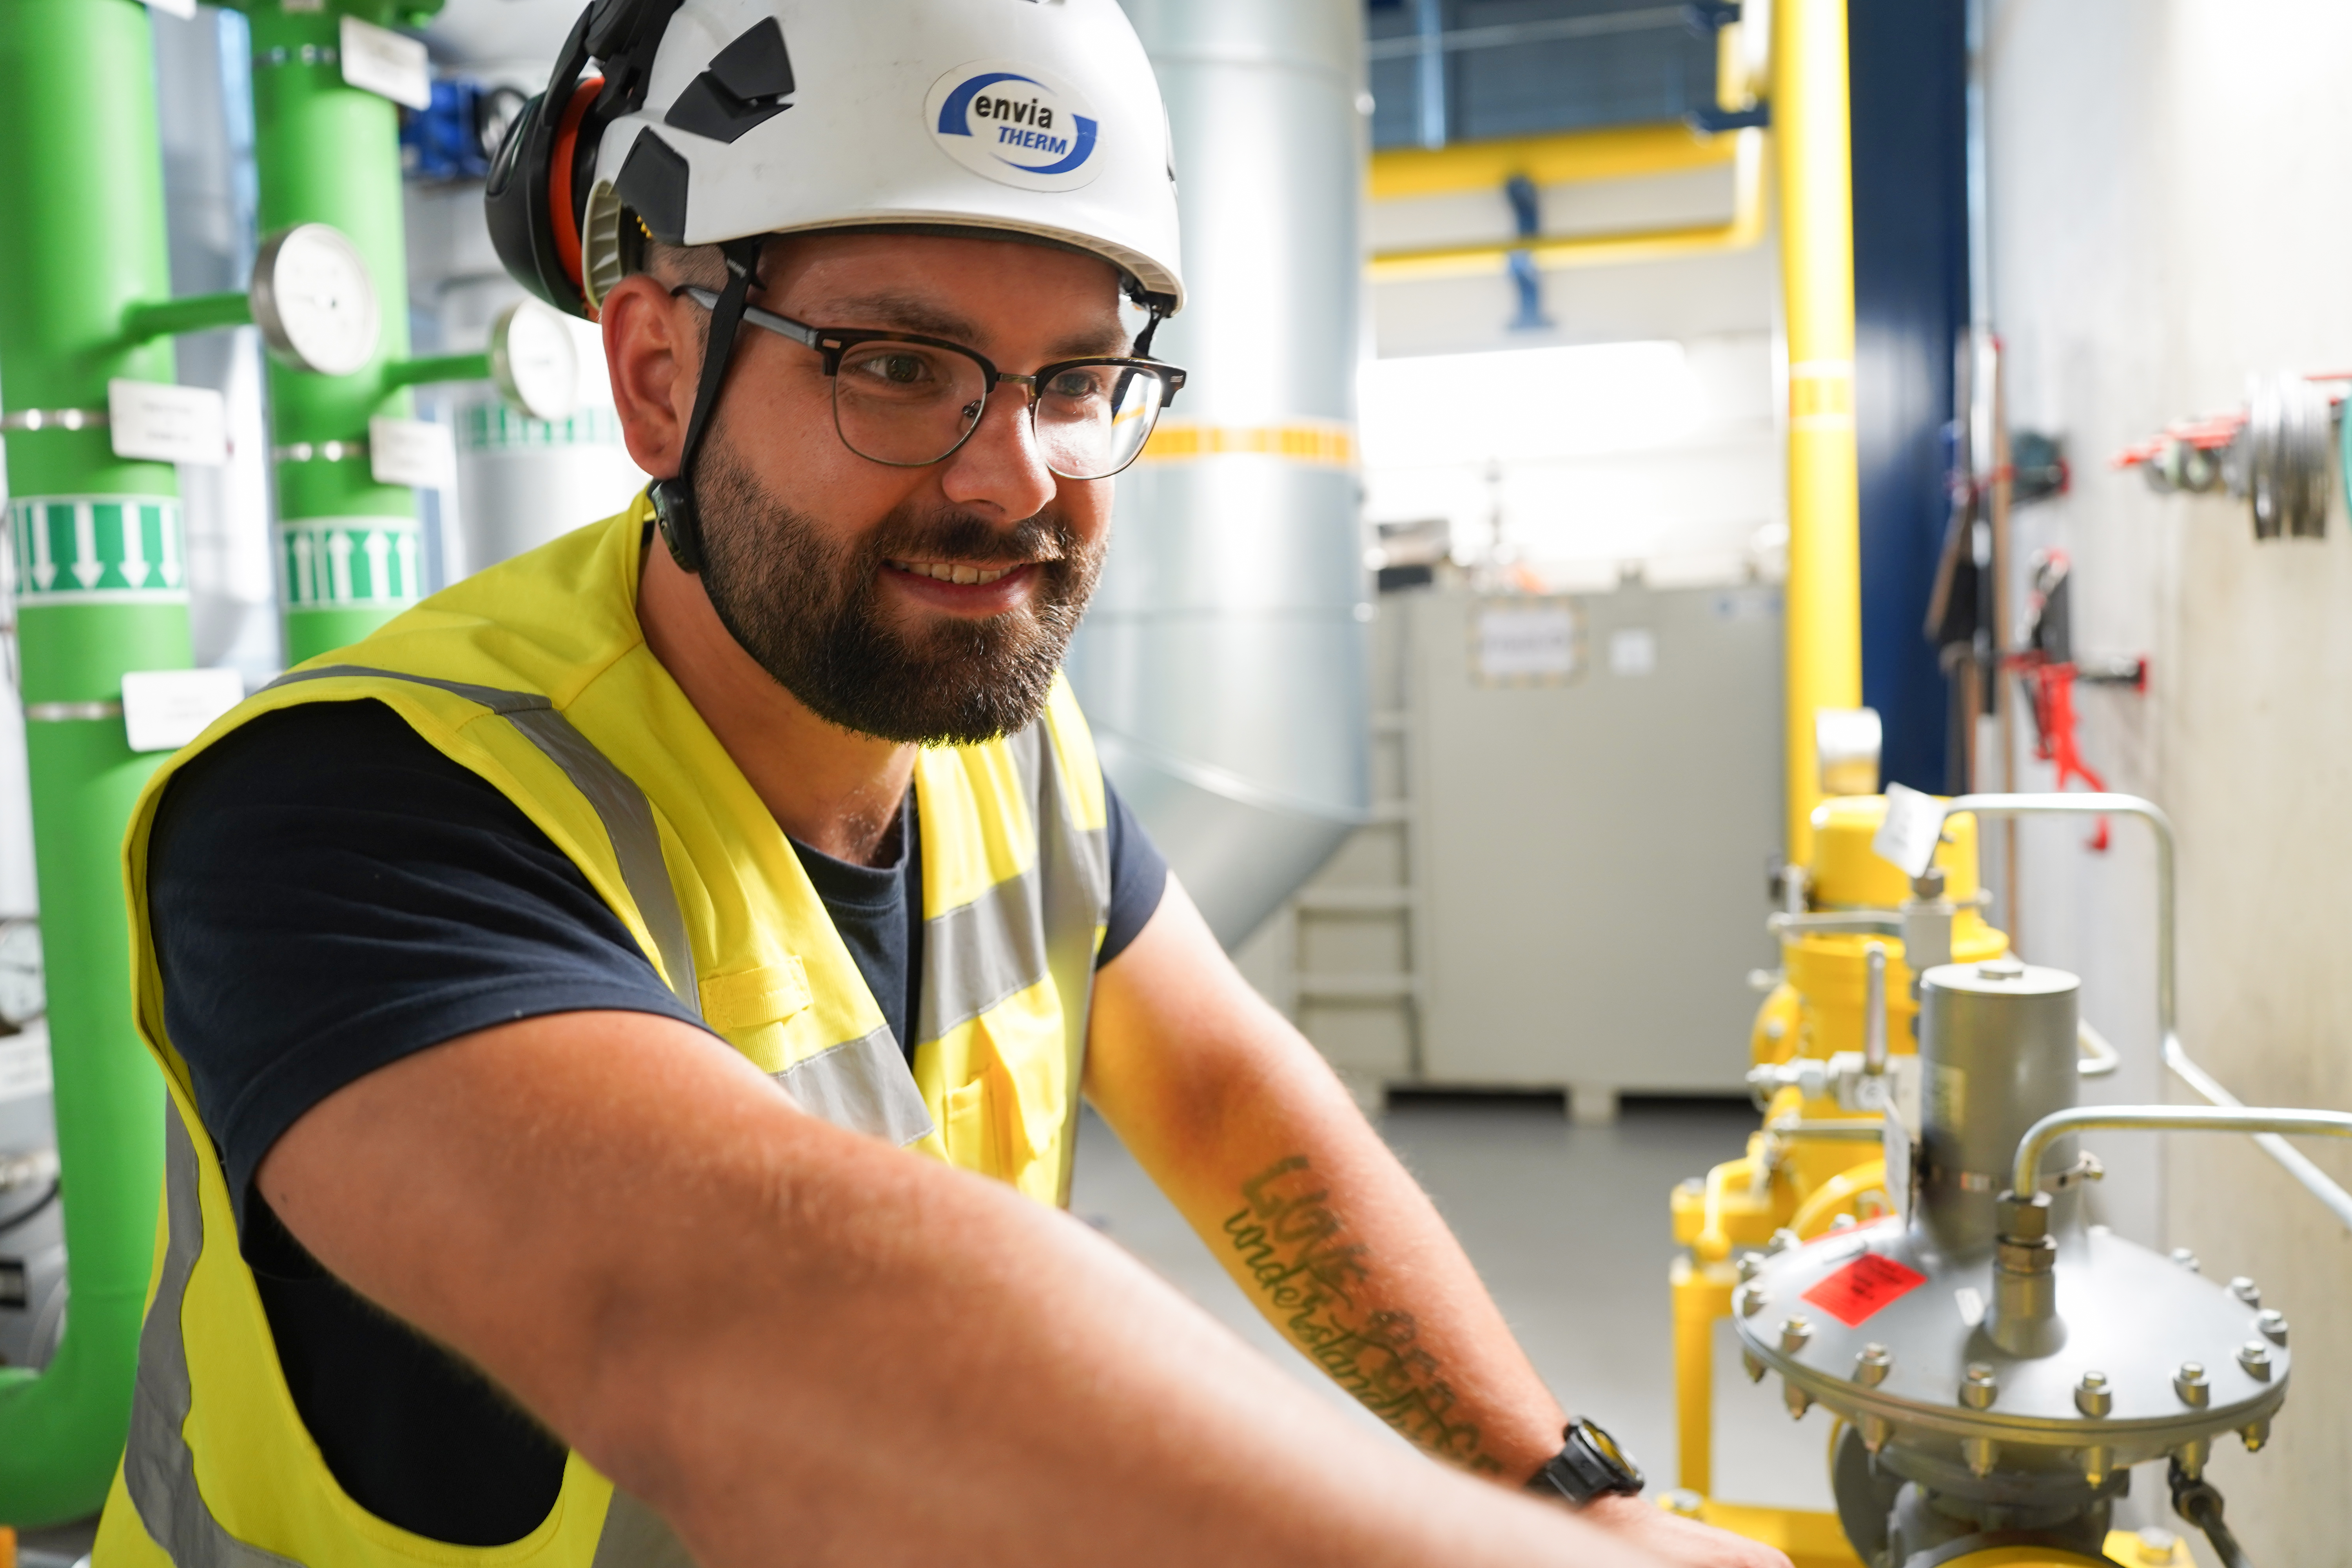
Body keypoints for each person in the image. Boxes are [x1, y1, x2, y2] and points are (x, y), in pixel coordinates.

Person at [93, 3, 1786, 1566]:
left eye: (1075, 380)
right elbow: (743, 1323)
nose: (1014, 477)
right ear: (658, 379)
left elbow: (1224, 1100)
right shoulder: (358, 808)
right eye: (896, 363)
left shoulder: (1003, 744)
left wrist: (1562, 1488)